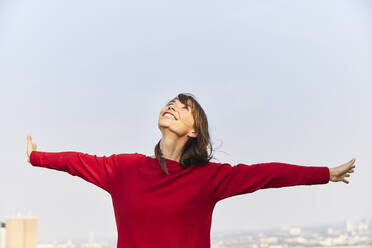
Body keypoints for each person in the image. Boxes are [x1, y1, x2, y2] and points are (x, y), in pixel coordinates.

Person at [26, 93, 356, 248]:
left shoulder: (209, 178)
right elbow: (76, 161)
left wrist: (325, 173)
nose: (173, 106)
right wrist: (36, 157)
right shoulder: (124, 169)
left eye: (185, 108)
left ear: (195, 131)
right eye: (171, 102)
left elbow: (268, 174)